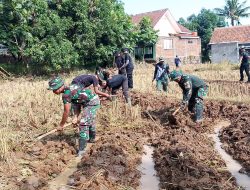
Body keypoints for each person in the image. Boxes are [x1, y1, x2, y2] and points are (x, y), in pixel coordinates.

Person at [47, 76, 100, 157]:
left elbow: (66, 111)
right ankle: (92, 139)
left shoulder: (66, 95)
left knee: (84, 123)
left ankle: (82, 151)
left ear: (60, 87)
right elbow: (76, 102)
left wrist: (61, 125)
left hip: (92, 102)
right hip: (84, 102)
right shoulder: (70, 89)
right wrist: (76, 116)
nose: (54, 91)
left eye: (55, 89)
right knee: (88, 120)